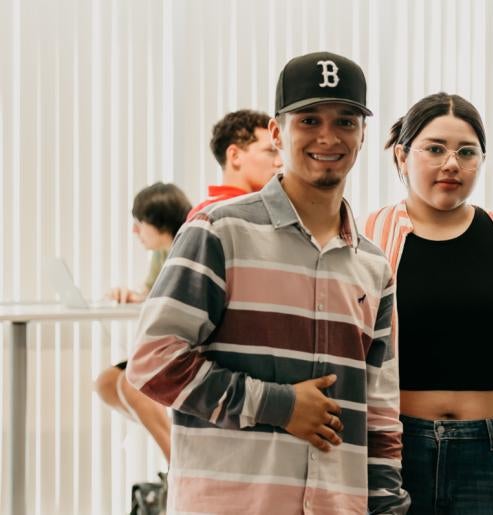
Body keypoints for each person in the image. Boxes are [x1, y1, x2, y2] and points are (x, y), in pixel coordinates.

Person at [125, 51, 410, 514]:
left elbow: (378, 414)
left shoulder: (372, 264)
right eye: (309, 119)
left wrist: (386, 507)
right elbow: (152, 362)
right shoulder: (219, 231)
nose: (328, 136)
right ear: (277, 133)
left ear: (361, 136)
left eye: (345, 121)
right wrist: (279, 405)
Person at [361, 92, 493, 515]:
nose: (451, 163)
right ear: (401, 156)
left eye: (466, 152)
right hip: (395, 452)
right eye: (434, 149)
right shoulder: (368, 239)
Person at [93, 181, 191, 461]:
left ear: (160, 221)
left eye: (140, 222)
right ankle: (179, 453)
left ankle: (178, 465)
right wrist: (131, 295)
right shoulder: (162, 254)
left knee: (132, 385)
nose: (135, 231)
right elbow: (152, 294)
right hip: (165, 346)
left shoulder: (190, 247)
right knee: (106, 383)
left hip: (187, 348)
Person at [187, 109, 284, 218]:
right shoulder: (209, 215)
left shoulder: (266, 207)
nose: (280, 162)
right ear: (235, 156)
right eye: (270, 151)